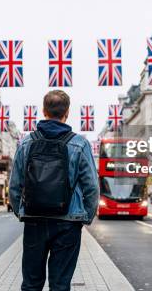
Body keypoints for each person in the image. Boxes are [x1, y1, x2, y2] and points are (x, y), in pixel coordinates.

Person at [9, 90, 99, 291]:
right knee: (60, 284)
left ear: (43, 111)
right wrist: (85, 216)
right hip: (68, 223)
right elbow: (92, 187)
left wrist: (21, 212)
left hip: (34, 220)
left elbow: (14, 186)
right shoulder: (79, 144)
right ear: (67, 112)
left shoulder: (26, 143)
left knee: (31, 283)